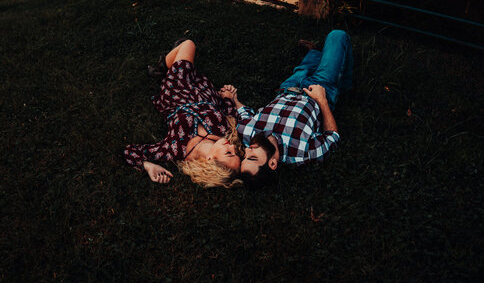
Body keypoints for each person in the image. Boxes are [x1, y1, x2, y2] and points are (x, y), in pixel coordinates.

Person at [228, 30, 354, 188]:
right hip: (319, 89)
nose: (248, 150)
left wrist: (234, 99)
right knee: (337, 36)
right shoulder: (302, 153)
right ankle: (344, 82)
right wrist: (322, 101)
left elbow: (245, 114)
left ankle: (314, 53)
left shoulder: (247, 134)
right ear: (273, 163)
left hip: (288, 88)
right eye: (252, 157)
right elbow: (332, 138)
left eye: (245, 155)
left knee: (303, 68)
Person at [122, 39, 242, 188]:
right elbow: (230, 113)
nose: (232, 147)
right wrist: (228, 98)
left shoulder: (177, 150)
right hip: (204, 90)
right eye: (235, 152)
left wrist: (148, 166)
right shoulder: (226, 132)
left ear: (210, 160)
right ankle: (173, 62)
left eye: (229, 153)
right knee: (186, 55)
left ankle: (161, 70)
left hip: (176, 93)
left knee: (188, 44)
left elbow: (131, 152)